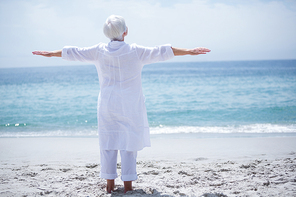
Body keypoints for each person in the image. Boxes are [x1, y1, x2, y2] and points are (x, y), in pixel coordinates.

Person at [32, 15, 210, 193]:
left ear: (107, 33)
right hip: (130, 105)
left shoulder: (98, 50)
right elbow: (162, 51)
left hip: (107, 104)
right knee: (129, 145)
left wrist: (50, 54)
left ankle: (109, 186)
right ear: (126, 31)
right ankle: (128, 187)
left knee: (108, 143)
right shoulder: (135, 50)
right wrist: (189, 51)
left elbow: (73, 52)